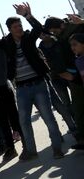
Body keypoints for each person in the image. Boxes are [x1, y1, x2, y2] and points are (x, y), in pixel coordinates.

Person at [0, 3, 64, 160]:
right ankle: (31, 151)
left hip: (39, 84)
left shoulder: (28, 38)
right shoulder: (6, 42)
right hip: (22, 88)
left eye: (20, 26)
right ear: (10, 30)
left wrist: (27, 16)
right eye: (16, 27)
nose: (19, 29)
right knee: (23, 121)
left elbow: (39, 29)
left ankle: (57, 148)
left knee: (48, 118)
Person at [46, 15, 84, 149]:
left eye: (54, 31)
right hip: (74, 75)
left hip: (78, 73)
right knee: (77, 108)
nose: (54, 34)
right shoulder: (60, 37)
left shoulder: (76, 28)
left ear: (60, 25)